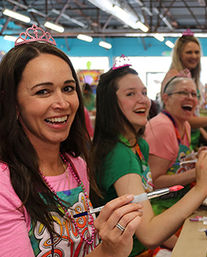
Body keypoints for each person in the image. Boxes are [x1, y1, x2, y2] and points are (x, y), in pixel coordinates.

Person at [0, 25, 143, 256]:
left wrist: (110, 244)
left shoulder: (77, 165)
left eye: (68, 88)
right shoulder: (5, 185)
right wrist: (108, 251)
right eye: (43, 92)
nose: (63, 103)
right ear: (13, 104)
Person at [90, 63, 207, 256]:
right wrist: (202, 187)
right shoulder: (119, 154)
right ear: (111, 104)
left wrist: (182, 246)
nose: (143, 100)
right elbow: (148, 234)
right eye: (131, 94)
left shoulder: (138, 145)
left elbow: (144, 215)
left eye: (144, 92)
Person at [161, 32, 207, 147]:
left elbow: (190, 115)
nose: (194, 56)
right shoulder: (175, 78)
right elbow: (182, 119)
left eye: (196, 52)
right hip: (177, 142)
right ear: (179, 55)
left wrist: (203, 133)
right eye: (189, 52)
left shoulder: (189, 77)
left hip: (189, 139)